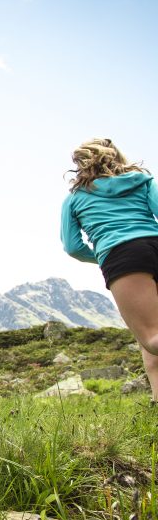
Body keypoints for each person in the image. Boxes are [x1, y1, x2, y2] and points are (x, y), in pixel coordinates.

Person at [61, 138, 158, 400]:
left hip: (123, 257)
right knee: (147, 343)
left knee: (152, 339)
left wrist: (104, 257)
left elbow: (72, 246)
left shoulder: (75, 199)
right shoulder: (142, 180)